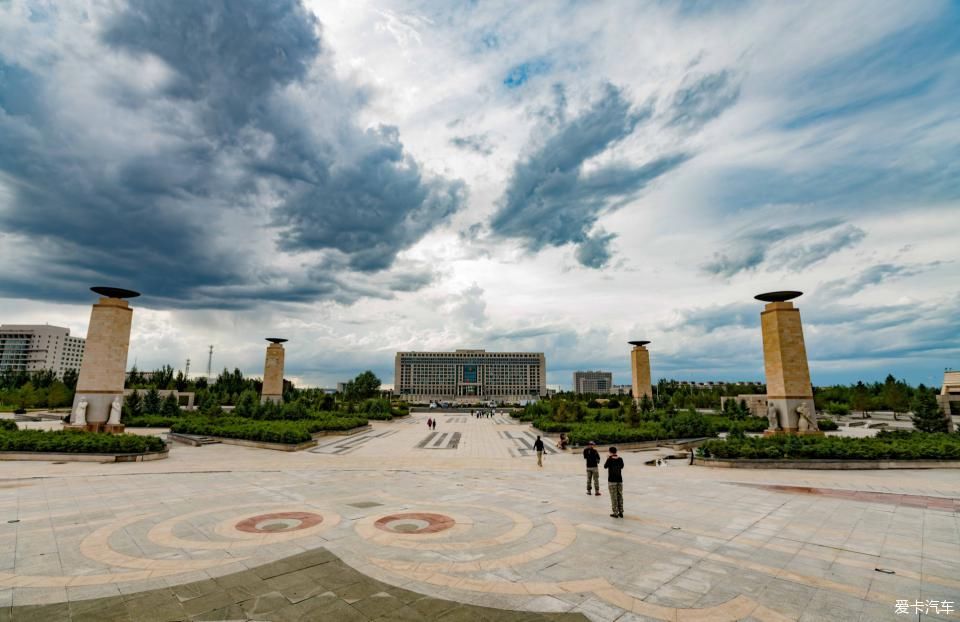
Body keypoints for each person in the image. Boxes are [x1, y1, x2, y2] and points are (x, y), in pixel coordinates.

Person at [604, 446, 624, 518]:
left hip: (612, 480)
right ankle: (621, 512)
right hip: (619, 480)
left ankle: (615, 512)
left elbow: (605, 466)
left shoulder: (609, 459)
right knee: (620, 495)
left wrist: (608, 458)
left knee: (614, 496)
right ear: (616, 451)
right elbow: (622, 466)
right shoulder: (620, 459)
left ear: (610, 452)